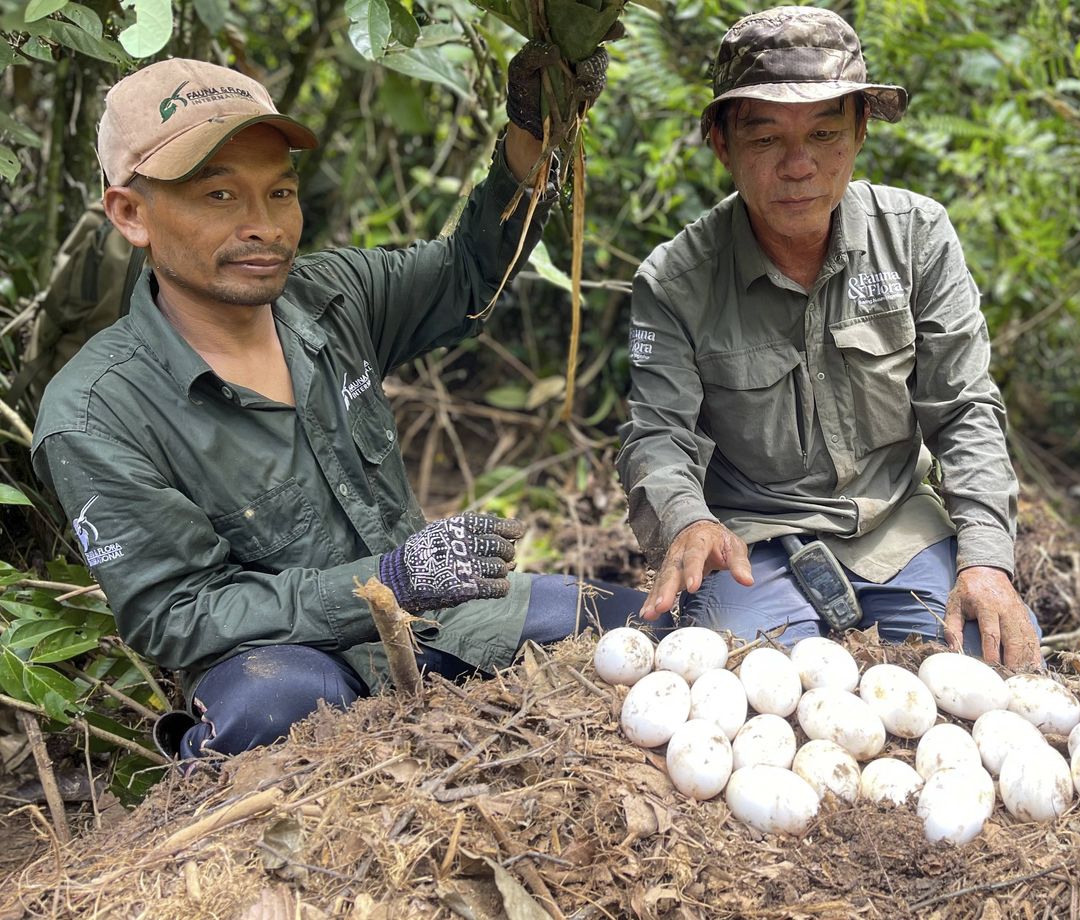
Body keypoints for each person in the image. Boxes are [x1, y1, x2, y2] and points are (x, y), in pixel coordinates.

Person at [30, 51, 646, 761]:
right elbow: (179, 616)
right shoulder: (96, 412)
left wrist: (536, 132)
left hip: (444, 621)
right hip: (295, 662)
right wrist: (384, 583)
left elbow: (469, 272)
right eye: (220, 197)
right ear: (131, 213)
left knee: (641, 625)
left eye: (281, 194)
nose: (263, 226)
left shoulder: (335, 296)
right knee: (269, 714)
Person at [616, 6, 1041, 668]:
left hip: (898, 526)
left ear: (861, 132)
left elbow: (964, 410)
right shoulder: (675, 281)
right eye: (764, 141)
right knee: (746, 687)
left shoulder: (916, 238)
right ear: (722, 144)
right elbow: (657, 436)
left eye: (823, 134)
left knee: (987, 669)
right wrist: (687, 521)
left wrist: (986, 559)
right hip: (751, 542)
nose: (798, 166)